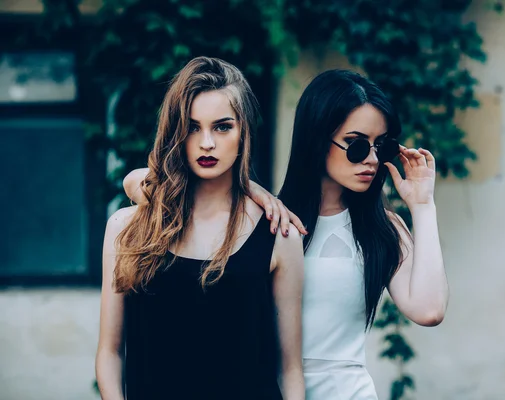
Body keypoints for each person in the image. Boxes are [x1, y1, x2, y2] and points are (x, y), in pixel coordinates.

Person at [124, 68, 449, 399]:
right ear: (318, 138)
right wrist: (249, 188)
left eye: (381, 146)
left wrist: (423, 207)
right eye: (356, 146)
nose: (371, 159)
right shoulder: (270, 222)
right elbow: (144, 182)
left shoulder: (382, 229)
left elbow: (429, 310)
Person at [95, 56, 305, 400]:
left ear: (244, 132)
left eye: (222, 126)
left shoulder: (278, 234)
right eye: (192, 127)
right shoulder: (126, 228)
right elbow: (109, 353)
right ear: (175, 133)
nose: (207, 142)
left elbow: (290, 368)